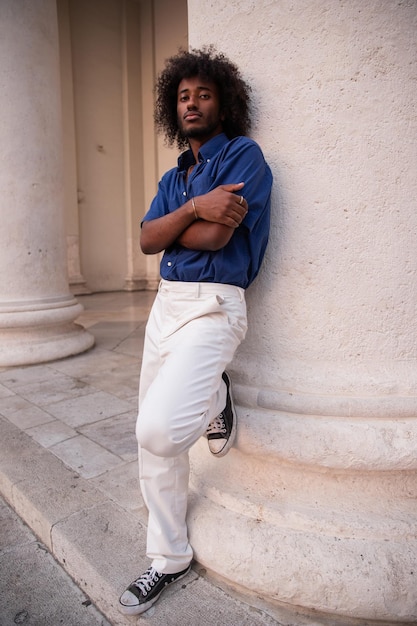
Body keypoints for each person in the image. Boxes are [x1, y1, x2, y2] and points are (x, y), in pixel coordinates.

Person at [119, 47, 273, 616]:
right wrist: (193, 209)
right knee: (146, 440)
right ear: (172, 106)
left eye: (203, 94)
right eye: (183, 96)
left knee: (160, 431)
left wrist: (179, 222)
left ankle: (214, 390)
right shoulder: (172, 176)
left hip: (213, 305)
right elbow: (145, 241)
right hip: (166, 307)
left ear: (223, 102)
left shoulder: (245, 157)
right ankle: (168, 556)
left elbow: (214, 240)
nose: (191, 103)